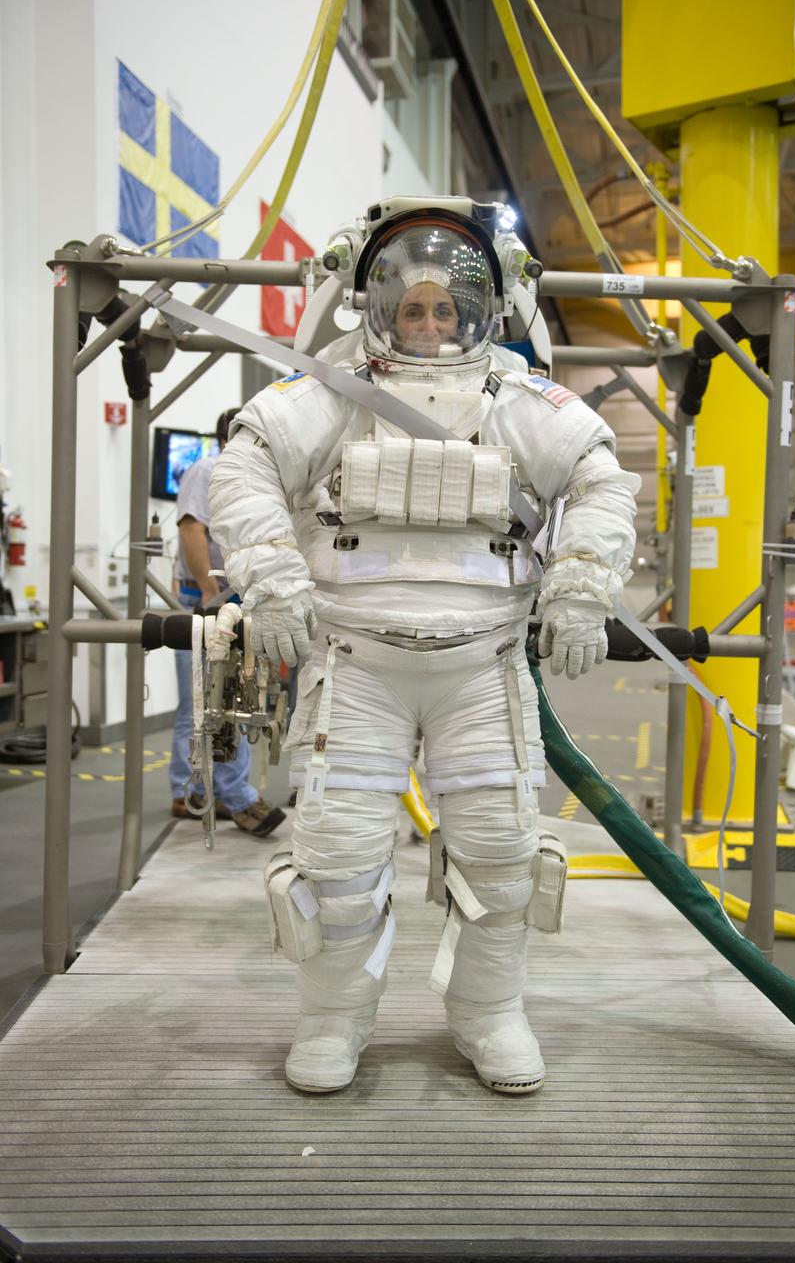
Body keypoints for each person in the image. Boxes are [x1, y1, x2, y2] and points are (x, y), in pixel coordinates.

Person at [209, 199, 639, 1093]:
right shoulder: (325, 394)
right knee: (337, 860)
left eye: (447, 308)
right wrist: (274, 577)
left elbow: (599, 477)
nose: (430, 323)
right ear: (376, 306)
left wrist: (581, 583)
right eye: (413, 308)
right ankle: (334, 1022)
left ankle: (488, 1015)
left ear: (480, 310)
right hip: (356, 667)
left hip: (480, 668)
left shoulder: (520, 400)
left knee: (500, 855)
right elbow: (243, 463)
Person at [170, 408, 285, 839]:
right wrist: (206, 590)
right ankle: (234, 798)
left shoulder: (253, 479)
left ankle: (194, 791)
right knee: (210, 702)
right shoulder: (208, 469)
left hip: (237, 598)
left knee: (224, 700)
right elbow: (191, 530)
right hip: (211, 599)